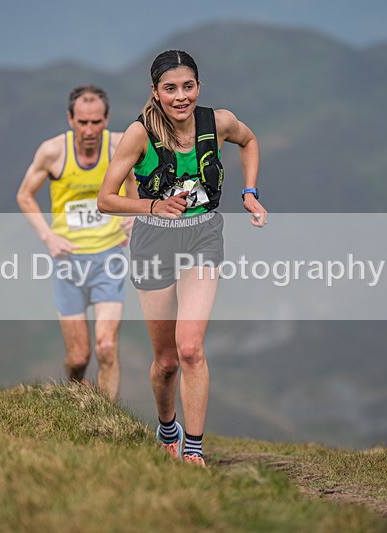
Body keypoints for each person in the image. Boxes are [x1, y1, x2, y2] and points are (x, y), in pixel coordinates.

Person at [97, 51, 267, 466]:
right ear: (155, 92)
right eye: (170, 89)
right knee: (167, 361)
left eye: (187, 86)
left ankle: (193, 447)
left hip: (203, 239)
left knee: (190, 348)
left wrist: (249, 192)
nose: (180, 97)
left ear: (198, 87)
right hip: (154, 243)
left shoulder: (218, 122)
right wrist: (152, 208)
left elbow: (249, 141)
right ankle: (167, 425)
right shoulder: (139, 135)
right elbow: (106, 200)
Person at [17, 85, 136, 401]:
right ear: (70, 119)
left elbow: (137, 175)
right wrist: (48, 236)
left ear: (107, 119)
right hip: (68, 261)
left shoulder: (118, 146)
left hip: (110, 256)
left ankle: (106, 423)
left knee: (106, 347)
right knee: (80, 357)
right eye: (83, 122)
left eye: (96, 122)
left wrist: (135, 212)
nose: (90, 130)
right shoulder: (52, 152)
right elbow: (24, 195)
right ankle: (73, 394)